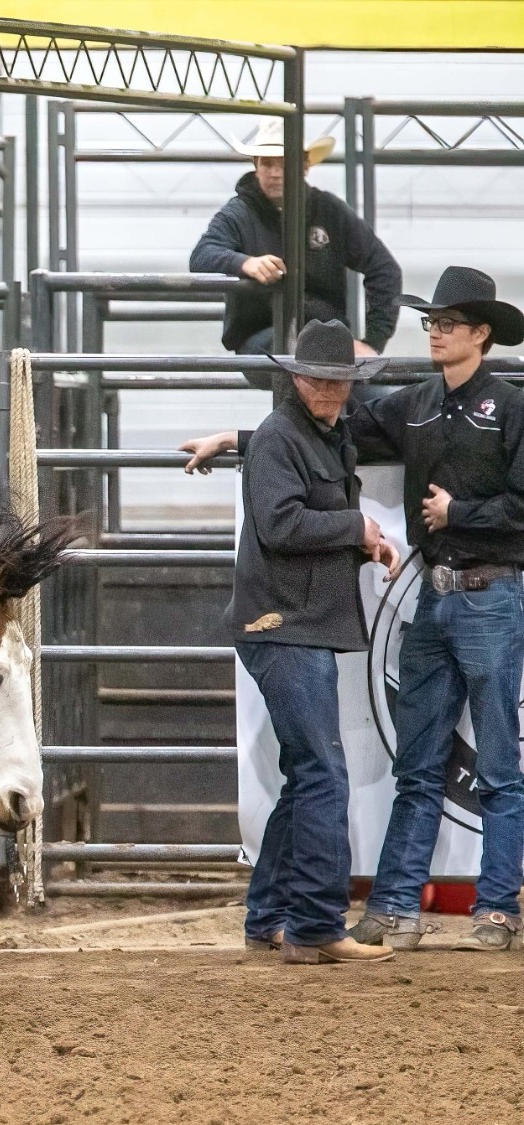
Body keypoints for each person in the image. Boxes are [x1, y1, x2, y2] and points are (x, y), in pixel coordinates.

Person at [182, 266, 524, 952]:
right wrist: (241, 440)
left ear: (481, 334)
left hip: (481, 592)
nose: (435, 333)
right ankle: (384, 909)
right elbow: (315, 437)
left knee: (472, 766)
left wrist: (460, 513)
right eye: (431, 322)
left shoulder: (506, 408)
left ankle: (486, 907)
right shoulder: (412, 405)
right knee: (413, 765)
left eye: (448, 323)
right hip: (437, 596)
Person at [223, 319, 398, 964]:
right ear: (297, 379)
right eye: (320, 380)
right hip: (287, 627)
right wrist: (357, 528)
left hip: (292, 624)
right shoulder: (283, 438)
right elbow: (280, 525)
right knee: (323, 773)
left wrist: (362, 537)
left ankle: (270, 917)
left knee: (307, 775)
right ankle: (317, 925)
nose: (330, 391)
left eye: (339, 381)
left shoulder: (310, 435)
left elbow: (289, 523)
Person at [190, 119, 401, 373]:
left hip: (324, 343)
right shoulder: (239, 213)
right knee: (310, 356)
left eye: (285, 163)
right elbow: (202, 255)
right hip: (264, 341)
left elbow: (384, 269)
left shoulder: (328, 210)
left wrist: (373, 343)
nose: (275, 172)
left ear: (305, 166)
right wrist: (244, 263)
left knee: (360, 381)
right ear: (256, 166)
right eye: (267, 163)